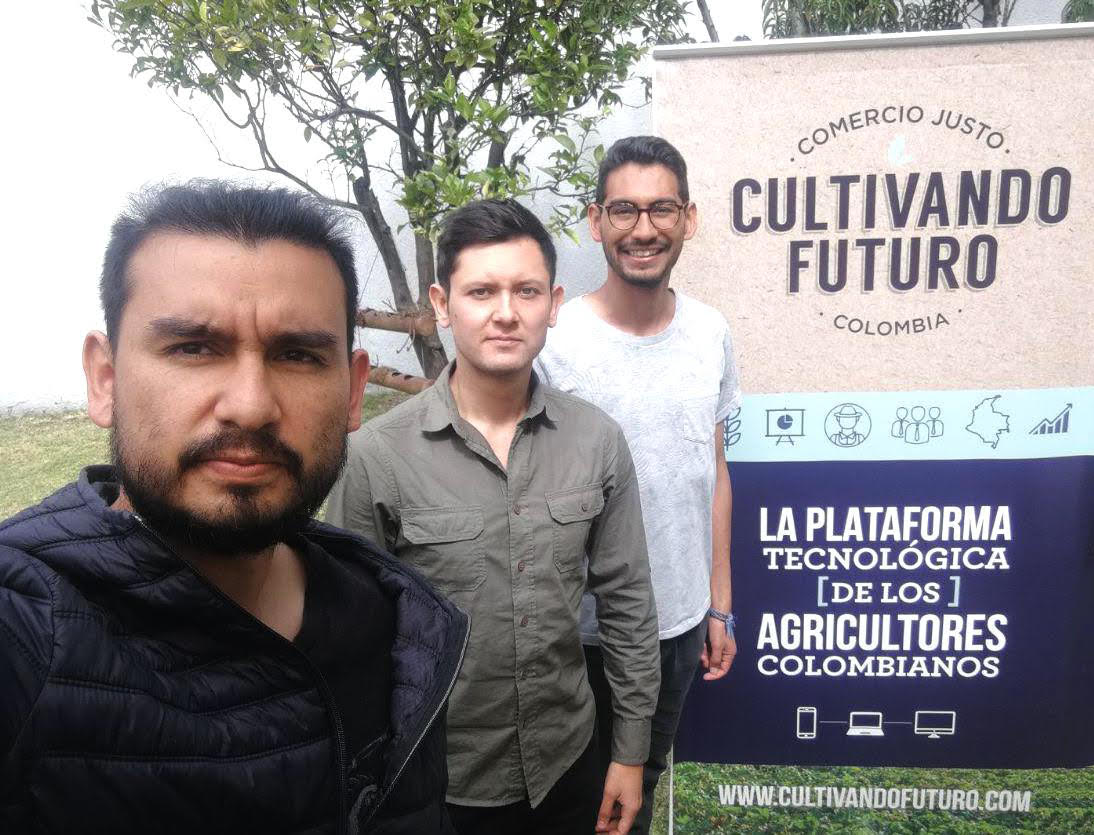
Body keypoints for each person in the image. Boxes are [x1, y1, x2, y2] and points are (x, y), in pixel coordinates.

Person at [0, 182, 468, 834]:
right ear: (105, 380)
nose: (250, 405)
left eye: (297, 354)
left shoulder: (398, 622)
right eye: (193, 347)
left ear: (353, 391)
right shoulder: (22, 622)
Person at [326, 199, 660, 835]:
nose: (506, 312)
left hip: (567, 763)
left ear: (553, 304)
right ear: (443, 304)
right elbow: (347, 635)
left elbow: (627, 602)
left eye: (526, 291)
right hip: (433, 779)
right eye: (481, 291)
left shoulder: (596, 442)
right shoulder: (376, 457)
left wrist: (629, 752)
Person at [536, 135, 741, 835]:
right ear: (596, 221)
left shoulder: (710, 333)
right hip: (577, 634)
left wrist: (718, 605)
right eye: (624, 210)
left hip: (677, 626)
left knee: (637, 795)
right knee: (570, 805)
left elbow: (713, 470)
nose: (643, 229)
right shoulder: (555, 344)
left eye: (662, 209)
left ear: (689, 218)